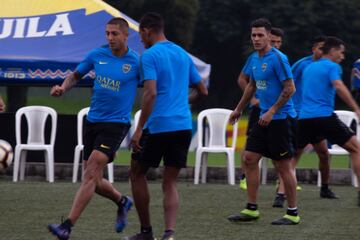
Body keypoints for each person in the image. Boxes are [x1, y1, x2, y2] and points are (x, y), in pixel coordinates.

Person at [47, 17, 139, 240]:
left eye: (114, 34)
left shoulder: (137, 62)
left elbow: (154, 89)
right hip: (93, 121)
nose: (110, 38)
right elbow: (75, 76)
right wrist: (63, 88)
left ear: (126, 36)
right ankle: (122, 201)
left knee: (90, 175)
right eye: (107, 33)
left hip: (116, 124)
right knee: (94, 180)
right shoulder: (97, 55)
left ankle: (67, 226)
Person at [128, 12, 208, 240]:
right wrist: (183, 102)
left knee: (137, 173)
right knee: (169, 181)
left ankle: (146, 232)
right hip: (183, 126)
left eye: (140, 34)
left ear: (146, 30)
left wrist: (139, 128)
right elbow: (203, 91)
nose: (140, 39)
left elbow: (150, 92)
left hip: (158, 126)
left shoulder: (150, 55)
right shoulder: (182, 54)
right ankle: (169, 234)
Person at [227, 18, 300, 225]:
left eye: (260, 35)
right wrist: (239, 109)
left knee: (282, 165)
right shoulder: (253, 58)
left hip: (280, 119)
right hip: (262, 118)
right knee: (249, 158)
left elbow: (290, 88)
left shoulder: (278, 58)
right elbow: (250, 85)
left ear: (269, 36)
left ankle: (293, 213)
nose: (256, 39)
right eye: (253, 35)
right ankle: (251, 209)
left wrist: (272, 110)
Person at [273, 36, 338, 208]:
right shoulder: (302, 64)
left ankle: (324, 188)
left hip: (317, 117)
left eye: (324, 48)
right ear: (313, 49)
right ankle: (280, 195)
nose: (321, 51)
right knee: (293, 157)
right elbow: (286, 83)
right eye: (318, 48)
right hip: (300, 116)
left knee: (324, 153)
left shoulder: (325, 66)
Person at [297, 36, 360, 207]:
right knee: (356, 149)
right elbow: (338, 86)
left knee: (292, 158)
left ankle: (281, 196)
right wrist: (356, 108)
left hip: (304, 118)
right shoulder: (333, 66)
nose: (343, 56)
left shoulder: (309, 68)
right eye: (341, 52)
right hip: (324, 117)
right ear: (332, 51)